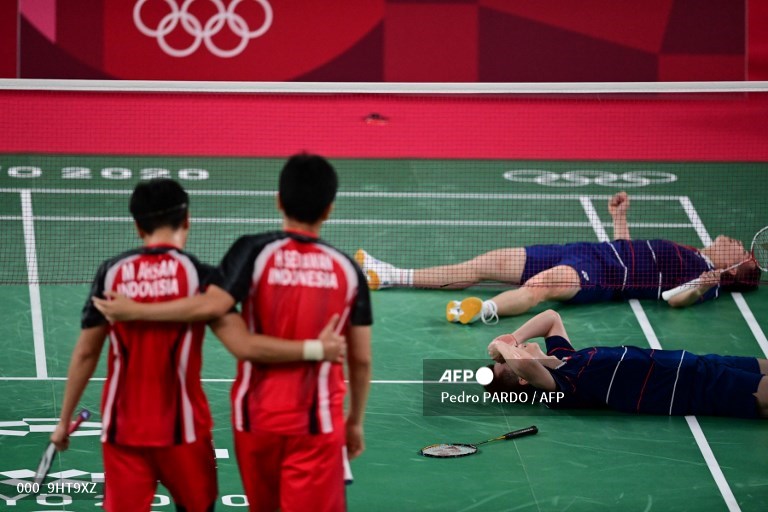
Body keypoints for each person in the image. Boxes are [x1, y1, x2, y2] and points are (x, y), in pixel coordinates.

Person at [93, 154, 373, 512]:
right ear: (330, 208)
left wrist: (136, 311)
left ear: (279, 201)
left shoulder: (252, 250)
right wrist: (356, 421)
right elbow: (361, 360)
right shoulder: (347, 269)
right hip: (317, 422)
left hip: (255, 419)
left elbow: (209, 307)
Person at [355, 192, 761, 324]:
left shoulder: (704, 278)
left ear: (733, 267)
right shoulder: (690, 252)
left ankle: (482, 310)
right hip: (587, 251)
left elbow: (673, 299)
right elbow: (632, 254)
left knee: (539, 290)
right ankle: (390, 275)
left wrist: (703, 285)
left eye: (741, 251)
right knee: (483, 264)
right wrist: (620, 219)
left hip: (600, 276)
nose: (733, 240)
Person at [485, 309, 768, 418]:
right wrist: (500, 346)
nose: (515, 349)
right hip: (697, 388)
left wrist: (513, 335)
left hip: (701, 364)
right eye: (508, 359)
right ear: (524, 380)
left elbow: (551, 318)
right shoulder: (561, 388)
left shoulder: (563, 358)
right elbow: (522, 364)